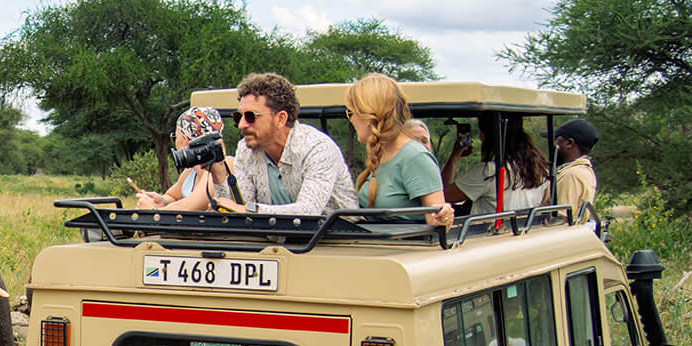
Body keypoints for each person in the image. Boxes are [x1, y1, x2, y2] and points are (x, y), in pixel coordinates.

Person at [229, 72, 358, 214]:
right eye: (238, 117)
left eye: (250, 116)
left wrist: (250, 210)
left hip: (339, 234)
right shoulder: (245, 150)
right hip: (275, 234)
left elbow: (308, 212)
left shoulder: (318, 148)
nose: (241, 125)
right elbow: (237, 209)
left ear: (281, 119)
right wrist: (218, 175)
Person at [345, 74, 455, 226]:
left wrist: (444, 216)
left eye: (351, 112)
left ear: (369, 115)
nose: (350, 119)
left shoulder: (414, 157)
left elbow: (437, 222)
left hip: (405, 246)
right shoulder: (381, 153)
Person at [134, 106, 236, 211]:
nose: (174, 143)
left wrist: (152, 210)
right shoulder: (191, 171)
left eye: (175, 137)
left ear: (185, 140)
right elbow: (173, 196)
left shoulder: (219, 167)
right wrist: (162, 200)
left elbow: (187, 207)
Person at [553, 118, 599, 217]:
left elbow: (561, 218)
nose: (554, 145)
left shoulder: (571, 175)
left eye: (556, 140)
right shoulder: (583, 170)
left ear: (569, 143)